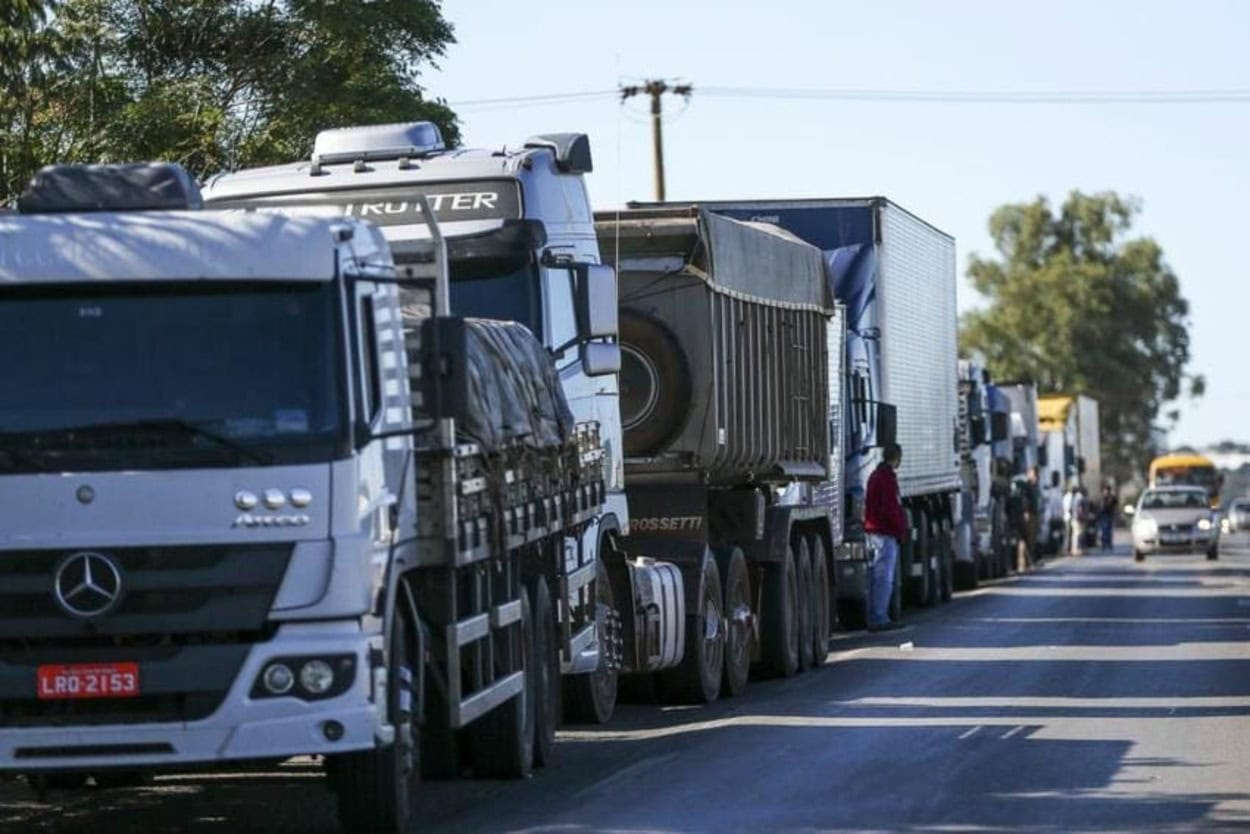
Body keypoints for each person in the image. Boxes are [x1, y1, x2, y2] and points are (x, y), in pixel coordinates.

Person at [865, 443, 906, 632]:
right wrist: (900, 529)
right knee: (884, 578)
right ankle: (879, 617)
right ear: (896, 458)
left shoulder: (874, 476)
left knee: (874, 578)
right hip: (885, 533)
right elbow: (891, 508)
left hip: (873, 533)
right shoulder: (887, 478)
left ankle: (873, 615)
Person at [1098, 483, 1116, 550]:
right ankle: (1104, 544)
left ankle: (1109, 544)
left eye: (1108, 490)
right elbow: (1100, 506)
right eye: (1106, 490)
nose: (1107, 491)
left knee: (1109, 530)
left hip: (1109, 515)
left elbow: (1115, 503)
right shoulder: (1103, 497)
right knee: (1104, 530)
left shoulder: (1112, 497)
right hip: (1103, 515)